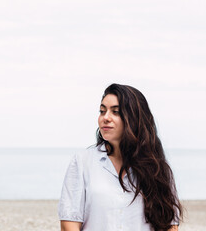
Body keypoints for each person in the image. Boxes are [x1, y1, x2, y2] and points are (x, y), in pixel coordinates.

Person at [58, 83, 183, 231]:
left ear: (134, 118)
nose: (106, 118)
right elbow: (69, 222)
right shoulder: (82, 162)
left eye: (115, 112)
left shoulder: (157, 168)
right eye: (102, 111)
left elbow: (169, 225)